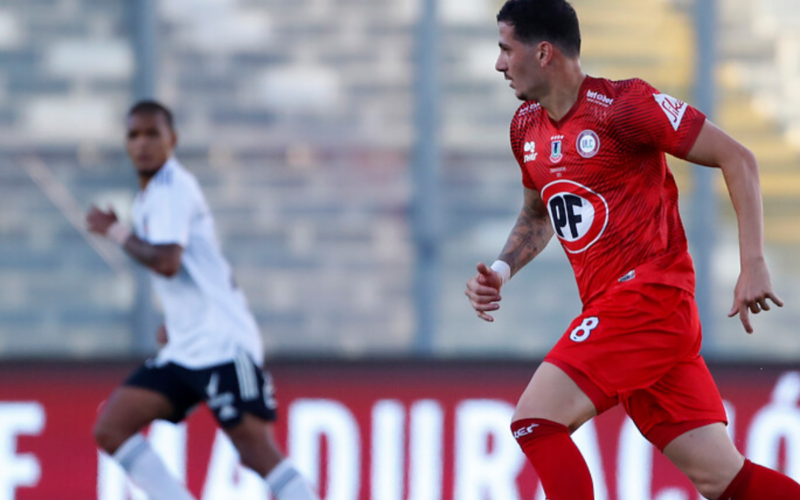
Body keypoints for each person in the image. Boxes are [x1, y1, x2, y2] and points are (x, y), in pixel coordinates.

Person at [464, 1, 798, 499]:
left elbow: (738, 158)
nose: (498, 64)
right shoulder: (526, 129)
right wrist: (501, 269)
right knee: (722, 479)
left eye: (505, 49)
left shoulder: (624, 106)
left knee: (536, 420)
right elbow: (540, 214)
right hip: (625, 316)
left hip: (648, 298)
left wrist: (752, 263)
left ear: (543, 52)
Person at [87, 100, 319, 500]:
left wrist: (116, 232)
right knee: (112, 426)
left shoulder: (172, 187)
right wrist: (176, 321)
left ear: (171, 140)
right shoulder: (150, 198)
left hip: (223, 345)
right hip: (186, 347)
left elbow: (167, 261)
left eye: (151, 134)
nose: (142, 143)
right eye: (133, 135)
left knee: (256, 452)